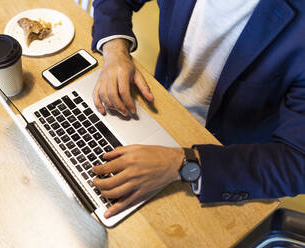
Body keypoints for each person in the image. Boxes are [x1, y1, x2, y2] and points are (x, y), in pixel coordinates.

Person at [90, 0, 305, 219]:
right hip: (159, 111)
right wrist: (115, 51)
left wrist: (183, 164)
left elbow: (298, 163)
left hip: (225, 164)